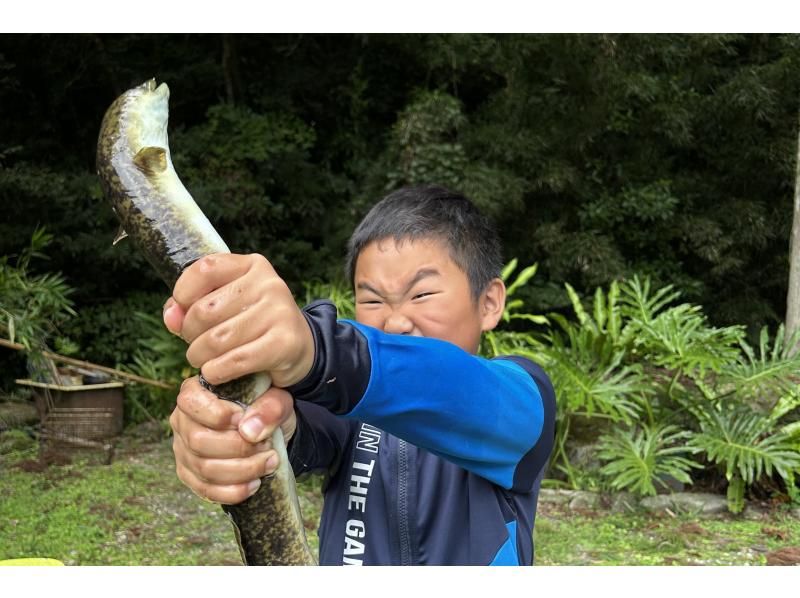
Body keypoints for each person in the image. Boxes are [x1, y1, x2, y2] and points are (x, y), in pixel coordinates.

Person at [164, 185, 556, 565]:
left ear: (489, 303)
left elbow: (455, 387)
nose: (396, 322)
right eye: (371, 300)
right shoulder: (346, 410)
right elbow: (297, 424)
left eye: (421, 295)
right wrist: (243, 431)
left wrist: (318, 350)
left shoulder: (520, 398)